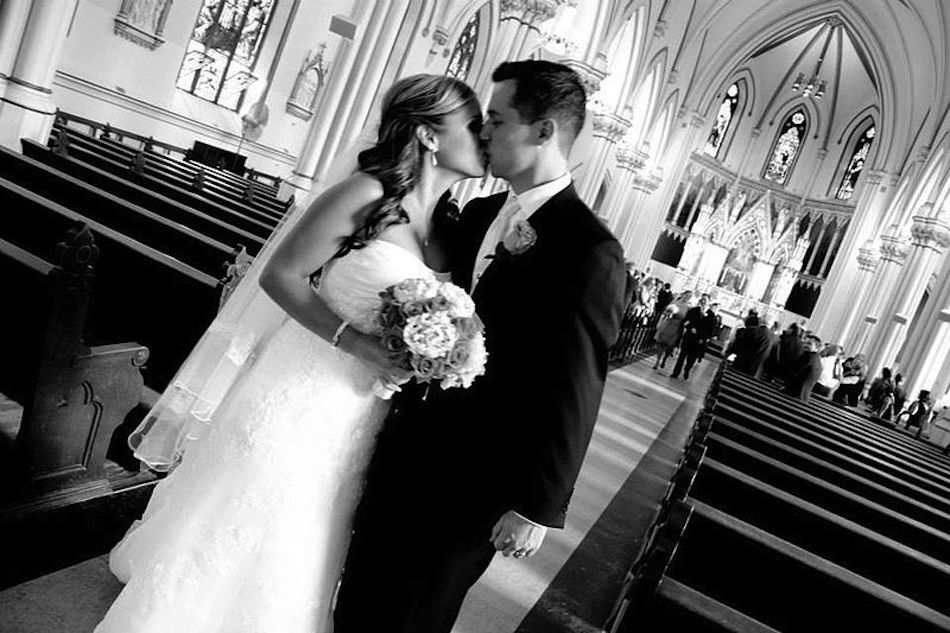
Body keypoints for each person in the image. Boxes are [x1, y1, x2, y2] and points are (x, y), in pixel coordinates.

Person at [94, 74, 488, 633]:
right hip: (302, 382)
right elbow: (282, 274)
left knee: (312, 517)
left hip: (362, 407)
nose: (483, 135)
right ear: (428, 134)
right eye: (472, 124)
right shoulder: (366, 194)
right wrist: (355, 343)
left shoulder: (447, 226)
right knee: (259, 500)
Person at [335, 60, 627, 633]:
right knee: (361, 596)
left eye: (495, 119)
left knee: (415, 615)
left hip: (477, 479)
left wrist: (536, 507)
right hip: (407, 443)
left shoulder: (590, 250)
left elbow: (576, 383)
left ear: (544, 131)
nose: (483, 132)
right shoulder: (481, 211)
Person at [671, 294, 711, 379]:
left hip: (699, 340)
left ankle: (687, 369)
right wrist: (690, 327)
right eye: (702, 299)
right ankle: (676, 372)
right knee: (682, 356)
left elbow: (710, 330)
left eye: (705, 300)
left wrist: (702, 338)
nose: (703, 302)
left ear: (708, 302)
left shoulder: (711, 315)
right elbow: (686, 321)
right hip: (689, 336)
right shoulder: (694, 310)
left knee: (692, 358)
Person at [725, 312, 773, 377]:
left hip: (742, 364)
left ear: (760, 320)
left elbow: (739, 345)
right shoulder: (772, 337)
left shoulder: (752, 330)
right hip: (757, 370)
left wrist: (729, 352)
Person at [653, 290, 692, 370]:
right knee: (662, 343)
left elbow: (687, 318)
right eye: (686, 295)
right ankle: (658, 361)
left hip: (678, 326)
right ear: (683, 294)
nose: (687, 297)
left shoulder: (688, 307)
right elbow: (665, 311)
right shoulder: (674, 302)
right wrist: (669, 313)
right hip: (669, 323)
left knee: (670, 345)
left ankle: (665, 358)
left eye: (689, 296)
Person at [784, 334, 823, 403]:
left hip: (793, 396)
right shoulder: (817, 359)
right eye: (804, 343)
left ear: (817, 347)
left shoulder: (807, 357)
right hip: (803, 396)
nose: (805, 345)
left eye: (809, 343)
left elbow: (794, 375)